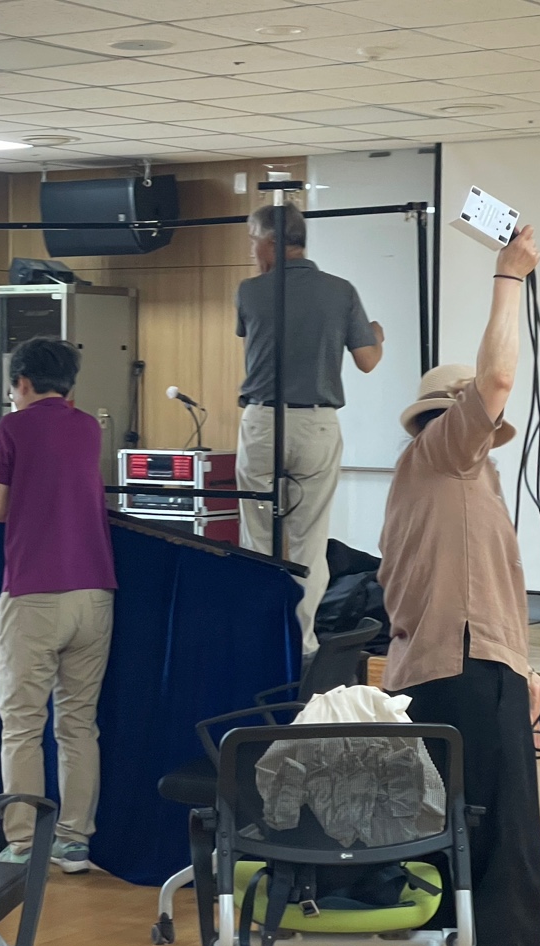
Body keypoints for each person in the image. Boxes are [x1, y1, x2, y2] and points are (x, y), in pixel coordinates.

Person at [376, 227, 540, 946]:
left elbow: (461, 591)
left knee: (436, 842)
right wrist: (507, 276)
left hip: (449, 673)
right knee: (500, 853)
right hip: (463, 680)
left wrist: (519, 666)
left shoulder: (443, 480)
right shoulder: (448, 456)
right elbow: (494, 380)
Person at [0, 337, 117, 875]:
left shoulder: (12, 427)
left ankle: (22, 843)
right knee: (79, 723)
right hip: (95, 593)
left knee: (22, 725)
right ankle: (74, 842)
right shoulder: (89, 427)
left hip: (34, 594)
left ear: (21, 383)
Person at [234, 202, 384, 660]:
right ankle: (301, 646)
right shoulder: (341, 291)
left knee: (256, 539)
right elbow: (367, 360)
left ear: (270, 242)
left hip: (262, 420)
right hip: (316, 423)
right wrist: (377, 335)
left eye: (253, 241)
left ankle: (256, 639)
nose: (252, 251)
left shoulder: (249, 291)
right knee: (309, 542)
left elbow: (256, 340)